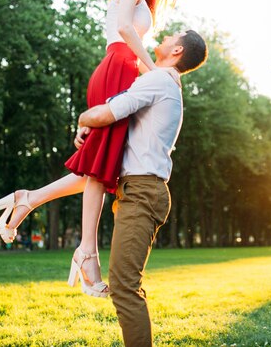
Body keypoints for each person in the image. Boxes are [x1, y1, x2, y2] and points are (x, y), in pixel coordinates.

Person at [0, 0, 184, 298]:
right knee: (99, 170)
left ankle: (30, 200)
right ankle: (85, 252)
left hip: (125, 73)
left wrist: (160, 76)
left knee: (101, 167)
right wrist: (155, 71)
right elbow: (123, 29)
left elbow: (131, 43)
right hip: (116, 69)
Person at [74, 30, 208, 346]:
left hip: (142, 191)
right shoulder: (166, 81)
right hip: (139, 190)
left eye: (172, 34)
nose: (163, 34)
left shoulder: (160, 80)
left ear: (177, 49)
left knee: (123, 286)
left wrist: (82, 118)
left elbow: (108, 113)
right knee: (125, 284)